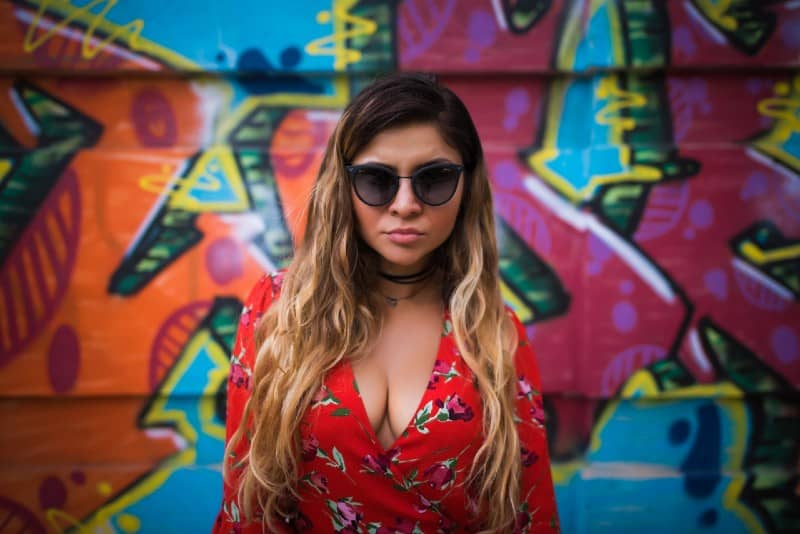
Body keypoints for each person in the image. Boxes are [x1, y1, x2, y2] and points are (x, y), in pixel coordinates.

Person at [214, 73, 559, 533]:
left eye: (434, 178)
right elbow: (246, 507)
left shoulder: (493, 332)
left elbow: (529, 514)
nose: (405, 204)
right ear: (343, 185)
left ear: (466, 186)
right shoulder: (280, 310)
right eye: (376, 180)